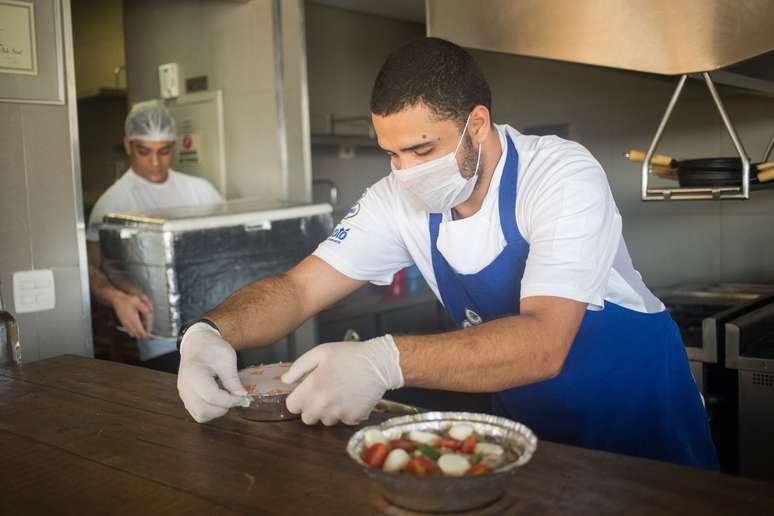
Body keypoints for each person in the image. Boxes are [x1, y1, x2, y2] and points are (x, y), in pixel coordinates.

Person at [176, 38, 719, 470]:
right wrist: (209, 333)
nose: (406, 172)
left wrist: (382, 360)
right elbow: (298, 289)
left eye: (423, 149)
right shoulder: (396, 199)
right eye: (391, 153)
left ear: (476, 125)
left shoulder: (559, 174)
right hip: (531, 438)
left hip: (641, 427)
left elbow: (545, 343)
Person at [87, 104, 224, 373]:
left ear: (173, 146)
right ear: (128, 145)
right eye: (144, 151)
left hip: (215, 329)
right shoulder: (113, 203)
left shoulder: (200, 191)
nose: (154, 162)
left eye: (163, 151)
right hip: (159, 339)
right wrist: (116, 297)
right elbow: (91, 267)